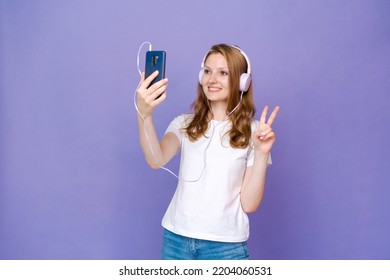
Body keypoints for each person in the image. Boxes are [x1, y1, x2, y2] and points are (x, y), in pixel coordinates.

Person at [136, 43, 280, 260]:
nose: (212, 79)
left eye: (223, 73)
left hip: (225, 247)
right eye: (207, 71)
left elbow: (249, 204)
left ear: (243, 82)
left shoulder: (255, 132)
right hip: (176, 240)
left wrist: (261, 154)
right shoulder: (183, 124)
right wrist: (144, 114)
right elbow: (156, 160)